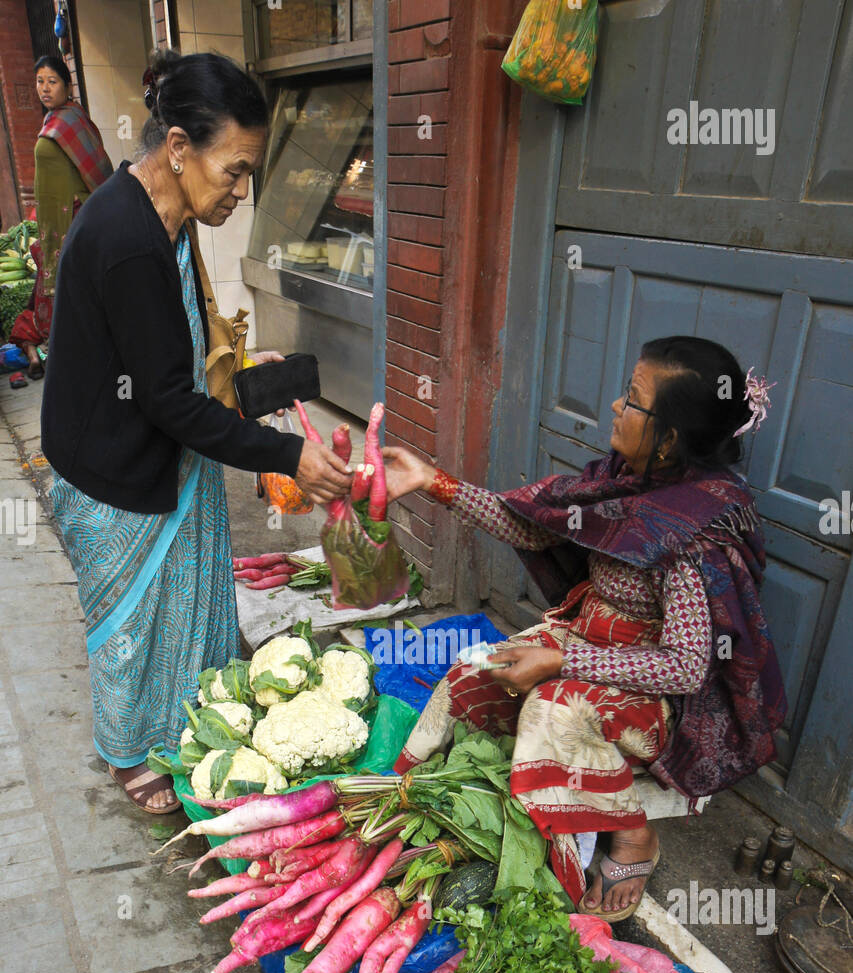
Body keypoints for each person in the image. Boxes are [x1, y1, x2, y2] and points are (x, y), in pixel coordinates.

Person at [382, 337, 787, 920]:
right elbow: (531, 529)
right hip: (585, 640)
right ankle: (406, 804)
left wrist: (561, 663)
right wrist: (432, 482)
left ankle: (630, 834)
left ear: (668, 439)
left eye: (631, 400)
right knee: (471, 675)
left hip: (654, 699)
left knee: (554, 711)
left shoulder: (693, 535)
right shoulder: (625, 479)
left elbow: (684, 666)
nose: (616, 410)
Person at [41, 50, 351, 813]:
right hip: (110, 458)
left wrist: (244, 378)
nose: (238, 191)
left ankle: (184, 720)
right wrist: (289, 454)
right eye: (234, 170)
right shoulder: (127, 239)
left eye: (248, 174)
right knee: (133, 625)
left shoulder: (165, 214)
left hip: (149, 435)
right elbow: (168, 403)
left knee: (183, 606)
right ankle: (127, 753)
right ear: (178, 147)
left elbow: (168, 355)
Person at [10, 54, 112, 378]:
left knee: (80, 294)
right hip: (54, 229)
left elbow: (98, 171)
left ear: (67, 86)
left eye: (52, 81)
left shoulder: (72, 121)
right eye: (40, 81)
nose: (44, 88)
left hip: (75, 224)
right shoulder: (51, 121)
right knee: (53, 299)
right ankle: (51, 358)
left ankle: (83, 362)